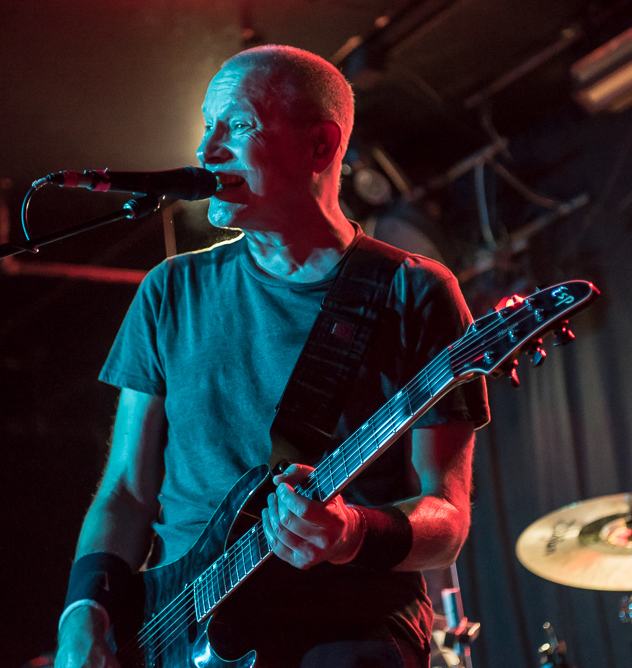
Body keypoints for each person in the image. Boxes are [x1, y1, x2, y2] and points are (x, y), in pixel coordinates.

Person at [55, 45, 489, 668]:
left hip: (345, 624)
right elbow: (126, 490)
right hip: (172, 629)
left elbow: (446, 517)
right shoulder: (170, 291)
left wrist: (348, 535)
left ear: (322, 146)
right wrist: (84, 611)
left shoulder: (414, 290)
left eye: (240, 125)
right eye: (208, 125)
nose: (207, 151)